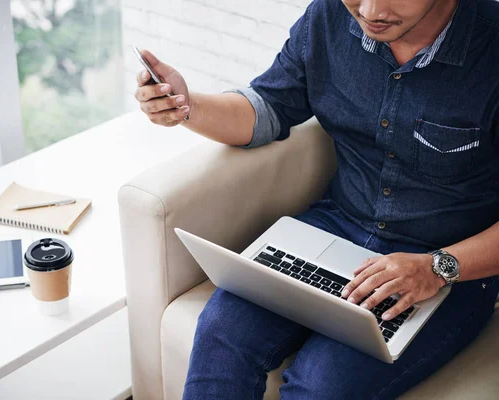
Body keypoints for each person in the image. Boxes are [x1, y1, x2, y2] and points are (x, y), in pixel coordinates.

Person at [133, 0, 499, 398]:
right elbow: (268, 109)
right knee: (221, 333)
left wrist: (437, 267)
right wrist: (187, 106)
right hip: (338, 224)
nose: (371, 11)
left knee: (321, 383)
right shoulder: (328, 17)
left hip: (447, 264)